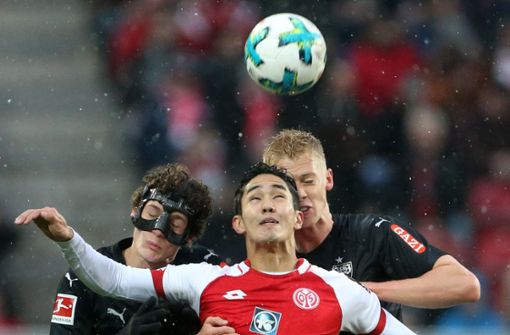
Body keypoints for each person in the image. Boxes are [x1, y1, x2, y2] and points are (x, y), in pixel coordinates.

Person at [16, 162, 417, 334]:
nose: (267, 203)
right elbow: (114, 277)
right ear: (239, 222)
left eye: (278, 196)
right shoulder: (205, 281)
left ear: (298, 217)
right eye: (254, 197)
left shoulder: (342, 293)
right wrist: (69, 240)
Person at [261, 129, 480, 319]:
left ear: (328, 179)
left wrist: (365, 290)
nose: (300, 193)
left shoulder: (372, 234)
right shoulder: (266, 264)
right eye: (288, 184)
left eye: (308, 180)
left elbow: (465, 285)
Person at [47, 163, 222, 334]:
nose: (158, 230)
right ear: (134, 212)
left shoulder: (205, 270)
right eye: (152, 214)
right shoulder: (84, 276)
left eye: (175, 225)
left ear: (189, 238)